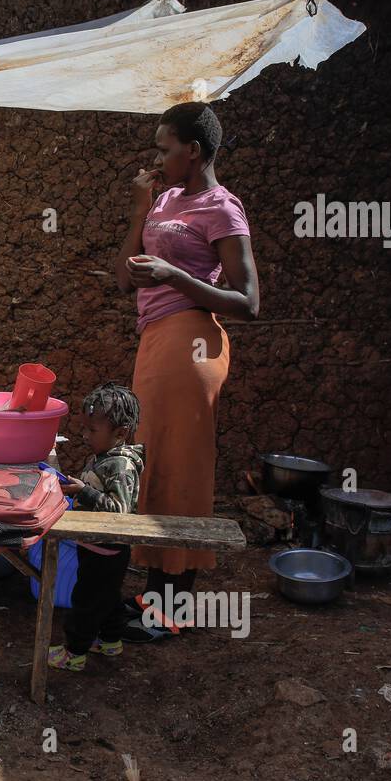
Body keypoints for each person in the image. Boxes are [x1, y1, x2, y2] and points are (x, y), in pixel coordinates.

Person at [115, 102, 260, 619]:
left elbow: (248, 302)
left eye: (164, 147)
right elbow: (125, 278)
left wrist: (175, 276)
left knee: (180, 471)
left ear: (193, 151)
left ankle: (171, 610)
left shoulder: (222, 208)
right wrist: (139, 210)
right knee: (151, 464)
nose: (157, 156)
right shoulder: (166, 199)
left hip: (193, 344)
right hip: (156, 340)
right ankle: (155, 595)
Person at [46, 383, 145, 672]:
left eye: (92, 431)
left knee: (86, 602)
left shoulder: (120, 466)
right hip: (96, 547)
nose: (86, 436)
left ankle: (75, 653)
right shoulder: (106, 458)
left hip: (106, 549)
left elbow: (119, 511)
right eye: (86, 429)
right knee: (108, 598)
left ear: (120, 433)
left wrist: (82, 492)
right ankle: (111, 640)